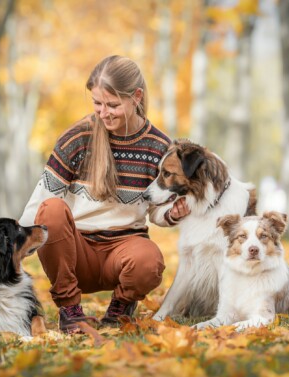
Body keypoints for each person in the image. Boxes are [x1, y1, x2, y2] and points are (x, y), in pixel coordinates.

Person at [19, 55, 190, 333]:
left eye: (112, 105)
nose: (103, 112)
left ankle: (120, 308)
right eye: (97, 103)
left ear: (136, 97)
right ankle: (70, 312)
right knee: (51, 208)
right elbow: (40, 201)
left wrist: (171, 213)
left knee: (150, 261)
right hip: (74, 253)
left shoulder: (158, 146)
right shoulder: (78, 137)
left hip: (122, 253)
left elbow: (156, 207)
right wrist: (14, 250)